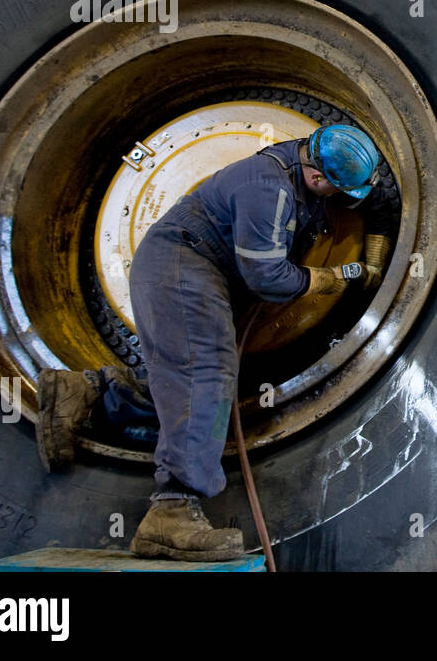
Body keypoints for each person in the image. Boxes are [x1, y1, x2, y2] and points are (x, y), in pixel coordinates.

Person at [34, 124, 394, 561]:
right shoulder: (268, 187)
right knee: (206, 371)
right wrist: (336, 277)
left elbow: (354, 202)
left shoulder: (302, 169)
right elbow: (269, 279)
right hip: (181, 261)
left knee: (190, 384)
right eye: (337, 189)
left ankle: (89, 394)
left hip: (201, 269)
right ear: (318, 178)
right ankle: (171, 513)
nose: (339, 197)